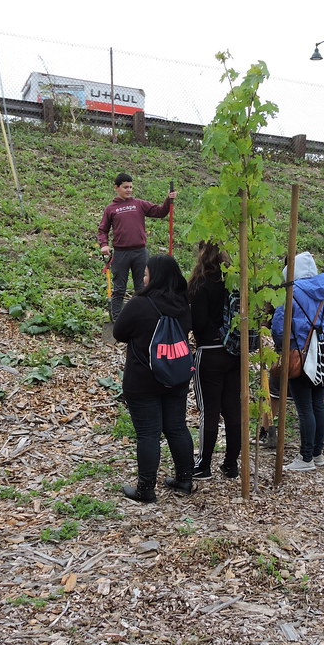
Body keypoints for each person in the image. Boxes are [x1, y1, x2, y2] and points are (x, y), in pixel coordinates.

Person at [113, 253, 195, 502]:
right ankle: (184, 479)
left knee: (148, 433)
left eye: (146, 273)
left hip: (142, 379)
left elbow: (119, 332)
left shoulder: (140, 304)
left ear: (155, 277)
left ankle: (146, 489)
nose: (143, 277)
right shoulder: (183, 305)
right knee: (177, 427)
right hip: (176, 377)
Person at [271, 252, 324, 471]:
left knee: (304, 408)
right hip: (323, 358)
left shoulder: (290, 292)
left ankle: (306, 457)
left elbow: (279, 328)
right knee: (318, 405)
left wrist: (287, 343)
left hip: (299, 358)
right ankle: (318, 454)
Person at [186, 241, 242, 480]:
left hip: (209, 351)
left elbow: (197, 322)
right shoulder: (232, 282)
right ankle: (231, 464)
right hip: (234, 351)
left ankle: (204, 465)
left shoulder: (199, 283)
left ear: (202, 253)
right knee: (233, 410)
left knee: (209, 410)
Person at [97, 173, 177, 322]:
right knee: (119, 289)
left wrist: (168, 200)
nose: (129, 190)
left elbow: (160, 212)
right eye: (125, 187)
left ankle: (142, 318)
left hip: (140, 252)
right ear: (116, 188)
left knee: (142, 287)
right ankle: (117, 320)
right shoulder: (111, 209)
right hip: (121, 254)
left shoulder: (139, 204)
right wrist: (104, 245)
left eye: (131, 187)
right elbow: (102, 230)